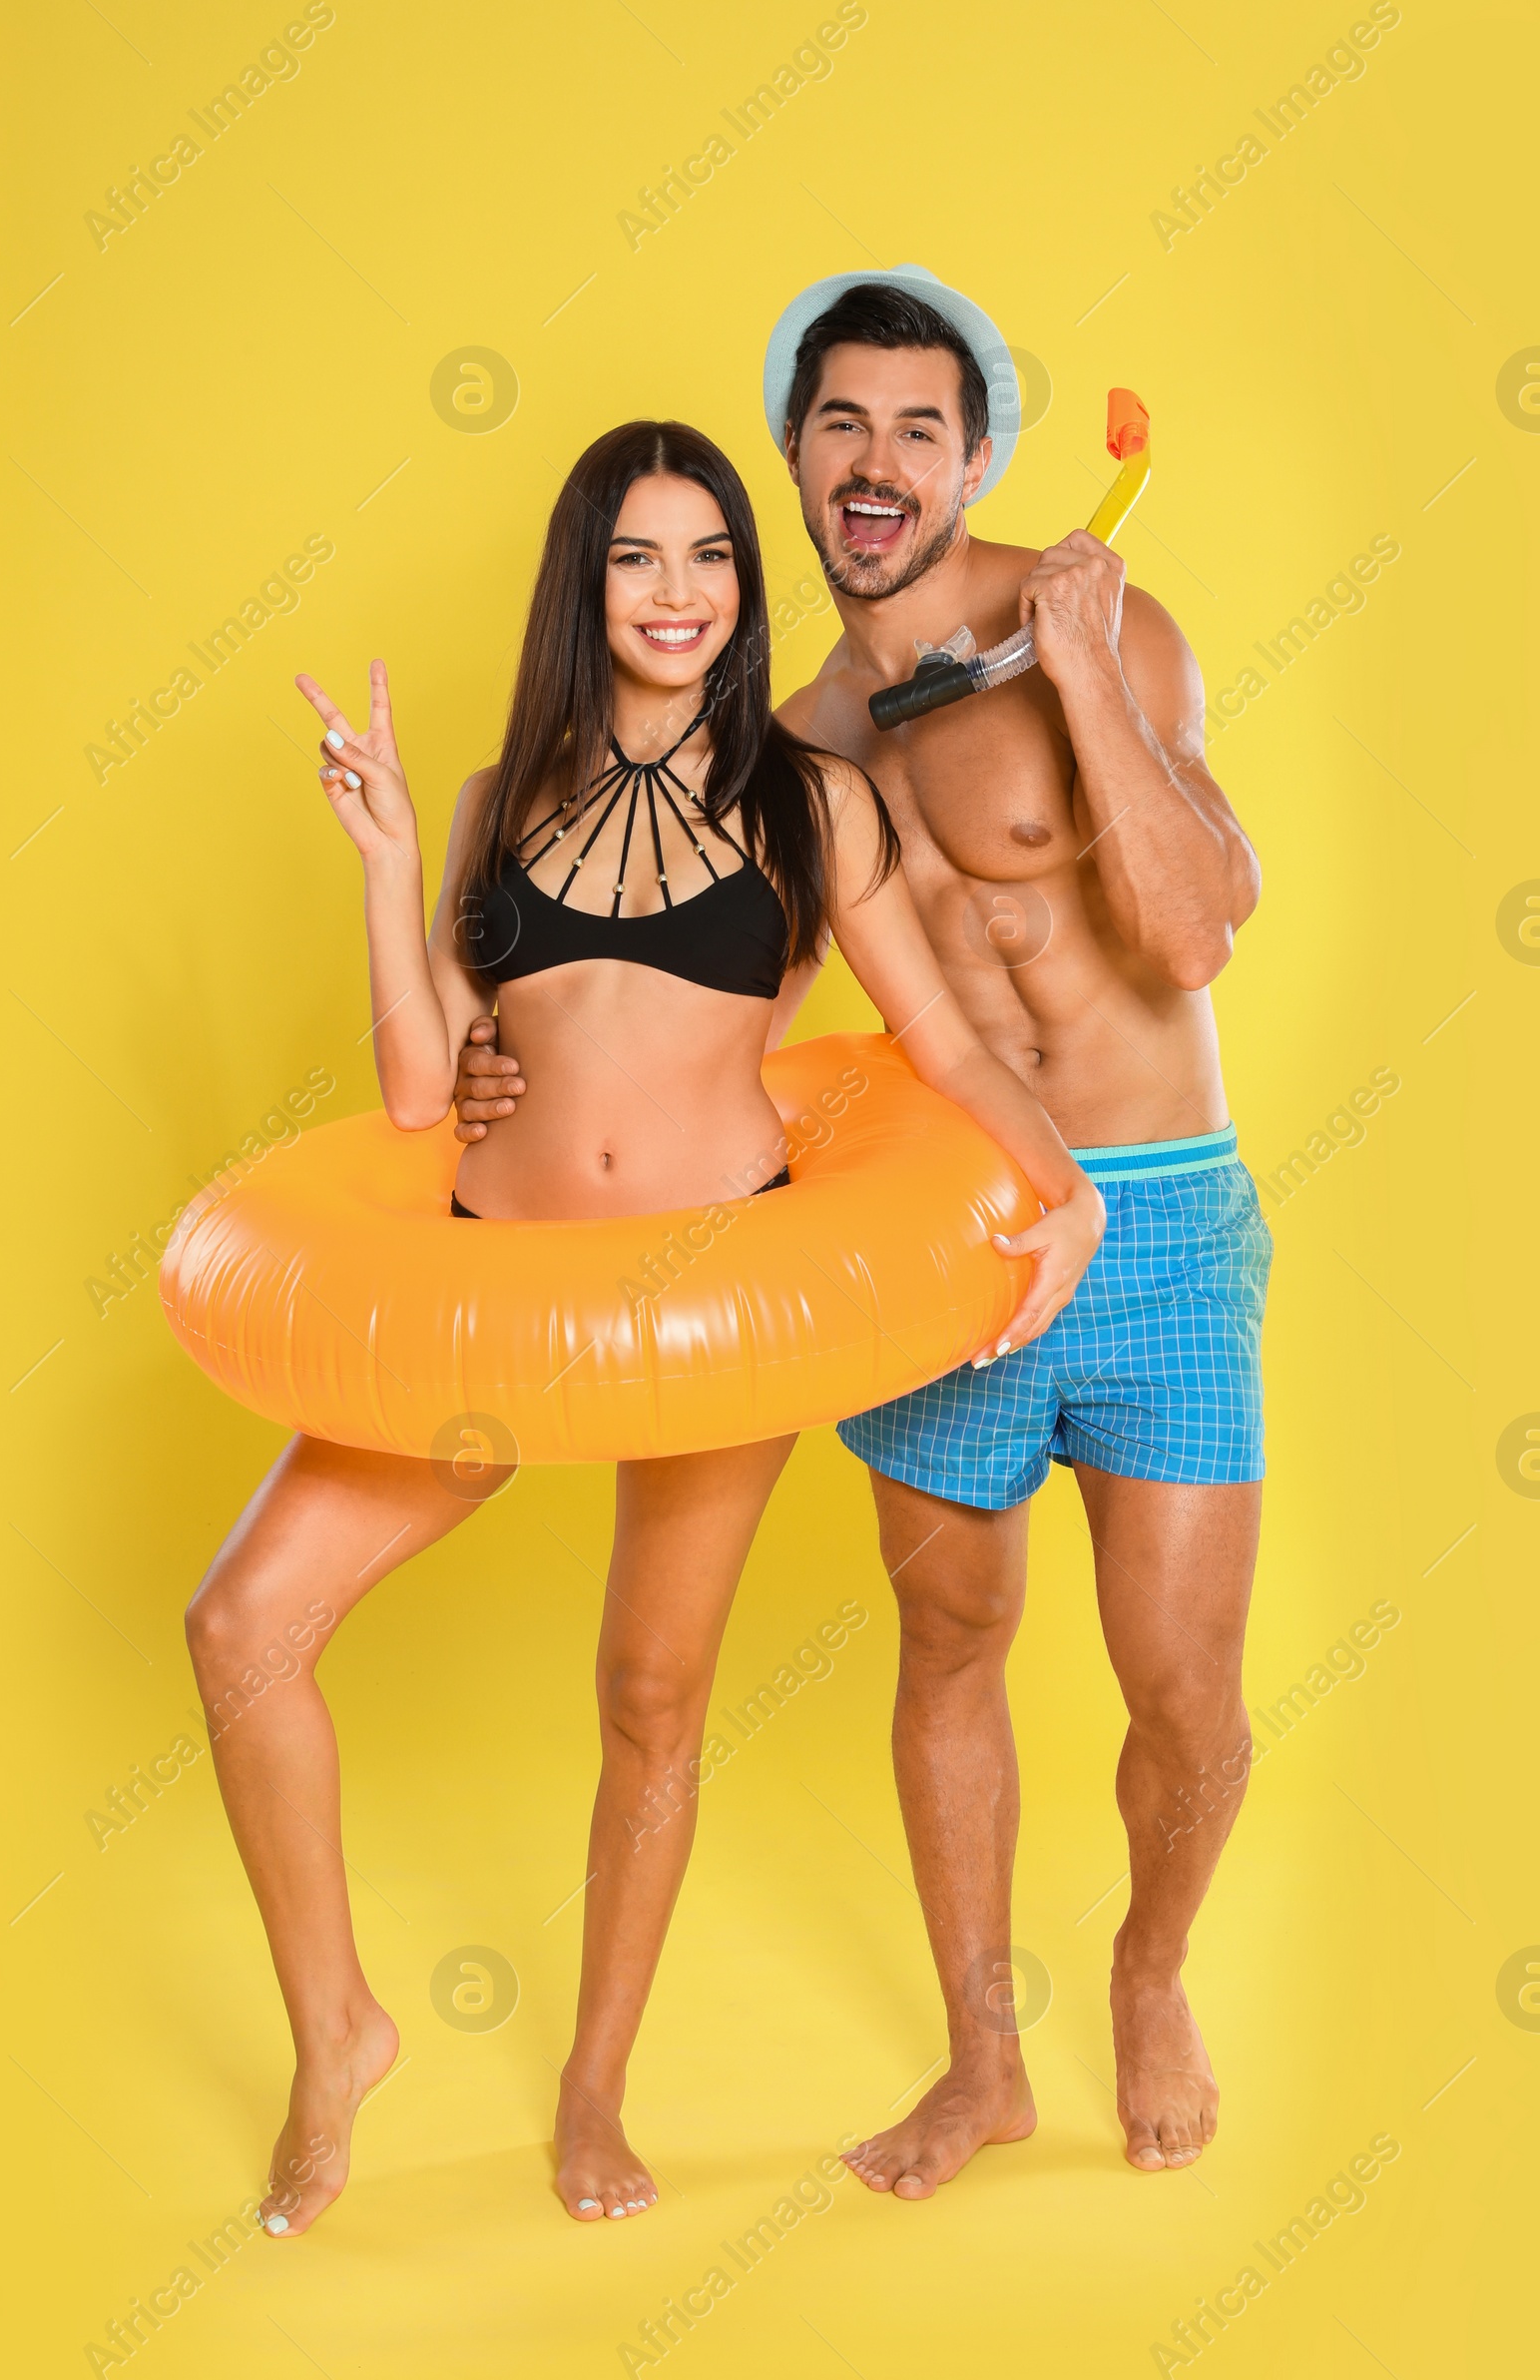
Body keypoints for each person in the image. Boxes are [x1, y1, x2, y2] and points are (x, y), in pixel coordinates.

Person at [185, 416, 1104, 2238]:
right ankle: (337, 2035)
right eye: (638, 558)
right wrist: (383, 865)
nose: (677, 595)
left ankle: (593, 2095)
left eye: (709, 559)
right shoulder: (494, 796)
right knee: (241, 1626)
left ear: (743, 590)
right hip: (489, 1296)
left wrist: (1061, 1183)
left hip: (712, 1302)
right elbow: (410, 1089)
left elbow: (937, 1033)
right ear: (584, 582)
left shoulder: (808, 799)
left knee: (650, 1694)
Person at [456, 274, 1269, 2187]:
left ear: (974, 453)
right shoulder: (798, 738)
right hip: (941, 1244)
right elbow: (683, 988)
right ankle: (985, 2061)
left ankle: (1153, 1970)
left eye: (920, 426)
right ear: (797, 467)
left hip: (1149, 1220)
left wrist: (1073, 667)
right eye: (841, 427)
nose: (879, 463)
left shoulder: (1105, 620)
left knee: (1186, 1686)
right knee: (954, 1644)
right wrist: (497, 1059)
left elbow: (1201, 924)